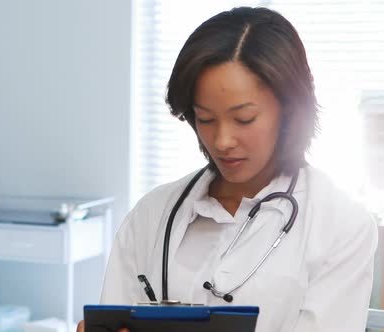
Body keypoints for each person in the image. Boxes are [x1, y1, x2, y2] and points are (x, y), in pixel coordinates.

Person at [77, 6, 377, 332]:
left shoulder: (341, 224)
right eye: (205, 118)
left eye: (244, 119)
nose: (221, 141)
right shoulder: (152, 214)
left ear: (289, 111)